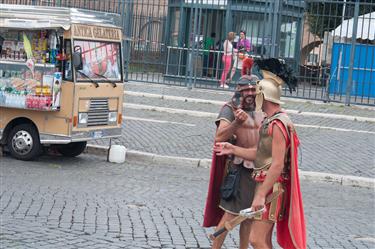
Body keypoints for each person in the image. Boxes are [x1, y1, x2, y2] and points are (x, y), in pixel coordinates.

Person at [213, 58, 306, 249]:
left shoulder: (278, 124)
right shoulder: (271, 120)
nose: (253, 97)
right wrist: (233, 148)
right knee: (261, 240)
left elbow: (277, 164)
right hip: (262, 182)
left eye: (256, 93)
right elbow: (261, 153)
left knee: (256, 239)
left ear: (264, 95)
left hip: (271, 187)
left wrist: (261, 194)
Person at [203, 60, 263, 249]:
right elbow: (219, 137)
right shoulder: (230, 108)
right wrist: (236, 123)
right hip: (239, 170)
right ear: (239, 90)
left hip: (258, 170)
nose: (251, 93)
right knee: (230, 216)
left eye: (254, 90)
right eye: (247, 90)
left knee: (248, 219)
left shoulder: (262, 108)